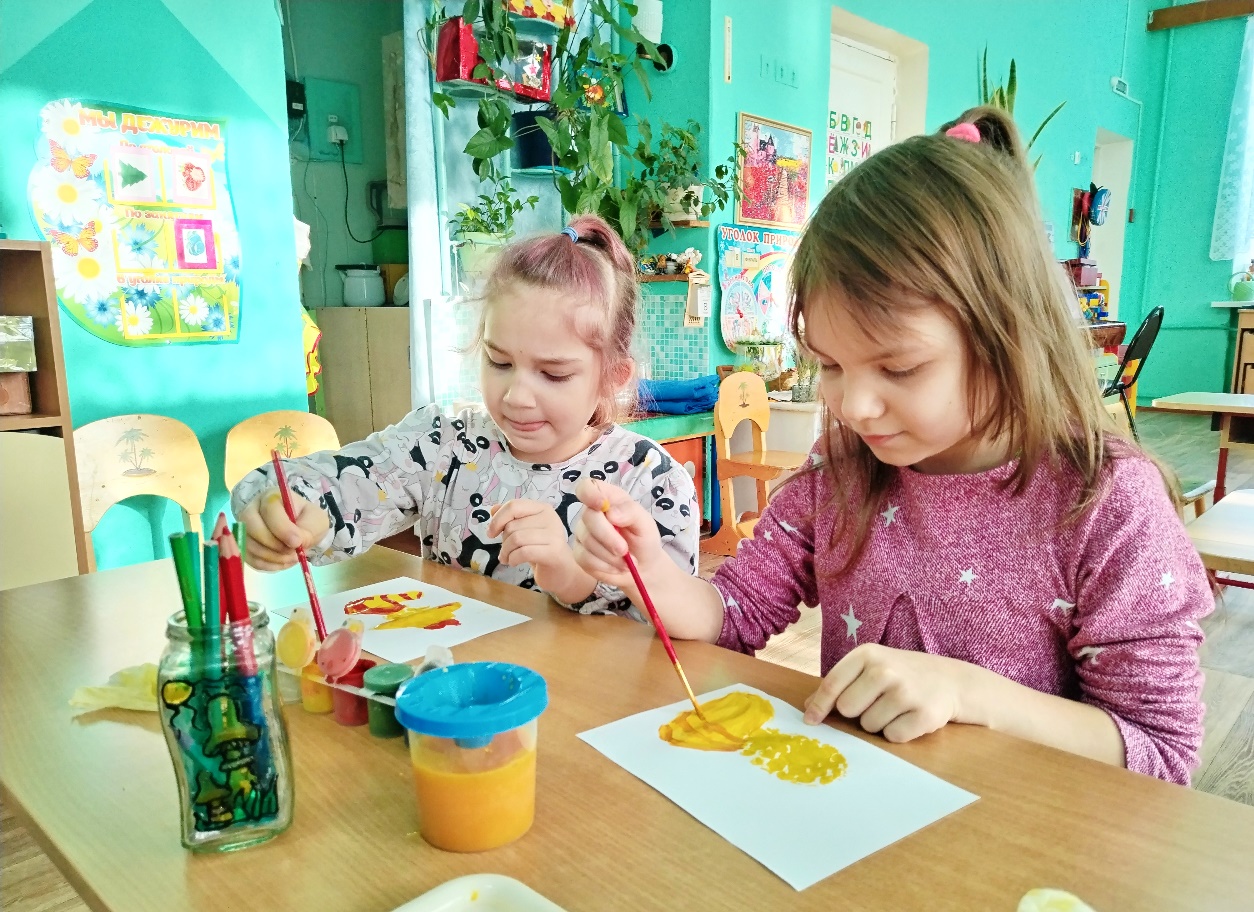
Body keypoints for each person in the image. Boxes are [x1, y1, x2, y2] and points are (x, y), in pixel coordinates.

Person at [570, 108, 1212, 784]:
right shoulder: (842, 468)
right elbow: (735, 616)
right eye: (831, 364)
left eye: (900, 368)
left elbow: (1160, 754)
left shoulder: (1107, 502)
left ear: (1010, 334)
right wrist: (650, 570)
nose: (855, 406)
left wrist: (971, 694)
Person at [232, 215, 698, 619]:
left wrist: (573, 579)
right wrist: (291, 506)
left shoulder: (648, 480)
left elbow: (669, 639)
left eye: (553, 374)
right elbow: (350, 479)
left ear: (612, 377)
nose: (516, 396)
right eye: (499, 362)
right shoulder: (444, 442)